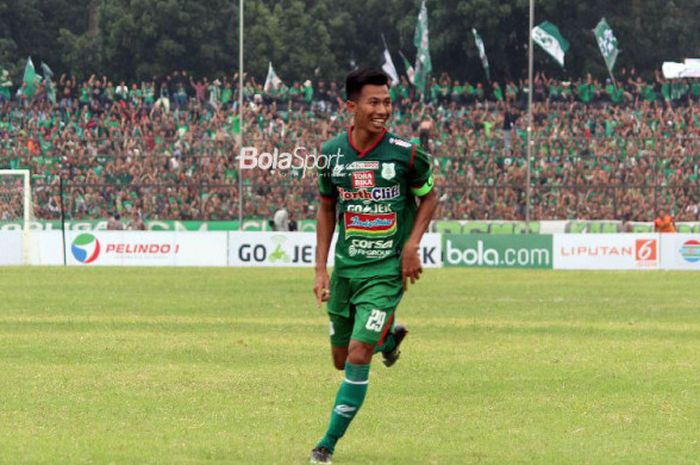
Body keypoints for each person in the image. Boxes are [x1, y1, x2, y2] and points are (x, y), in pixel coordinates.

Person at [310, 68, 438, 464]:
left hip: (385, 274)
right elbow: (327, 208)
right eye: (374, 102)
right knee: (340, 358)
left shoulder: (407, 153)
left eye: (387, 102)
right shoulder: (331, 154)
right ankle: (389, 338)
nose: (383, 110)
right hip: (348, 272)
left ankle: (324, 447)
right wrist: (320, 269)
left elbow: (430, 198)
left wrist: (412, 244)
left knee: (358, 354)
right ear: (351, 107)